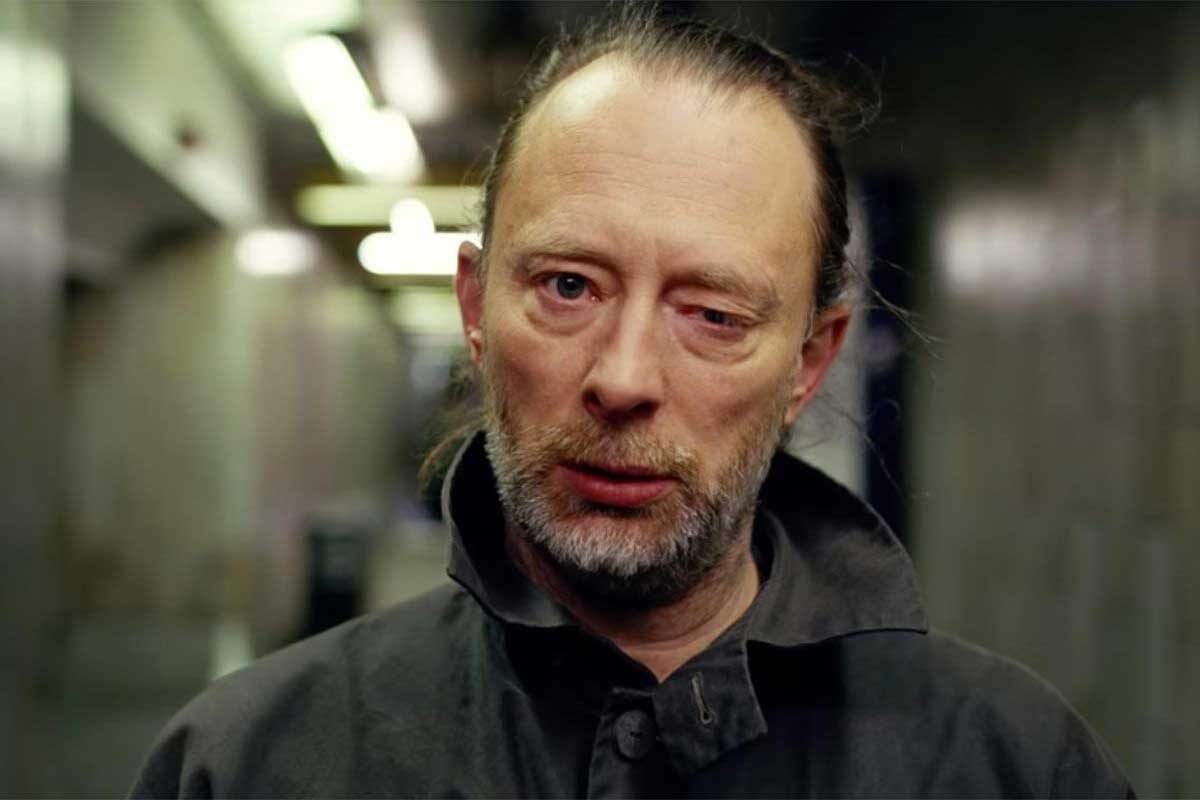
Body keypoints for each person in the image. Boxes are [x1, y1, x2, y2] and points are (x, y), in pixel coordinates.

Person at [131, 10, 1133, 798]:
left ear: (808, 362)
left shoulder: (1011, 766)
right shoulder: (251, 763)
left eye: (712, 314)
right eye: (569, 286)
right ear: (475, 309)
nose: (622, 378)